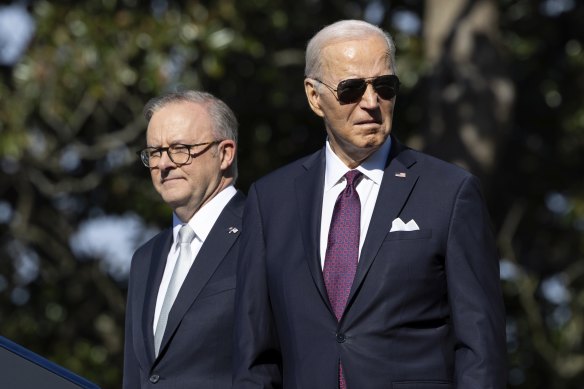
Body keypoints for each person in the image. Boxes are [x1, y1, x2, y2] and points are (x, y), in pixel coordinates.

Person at [233, 20, 507, 388]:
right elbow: (255, 357)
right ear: (315, 97)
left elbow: (481, 349)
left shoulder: (450, 192)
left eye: (385, 86)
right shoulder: (270, 201)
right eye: (350, 89)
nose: (371, 102)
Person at [124, 90, 244, 388]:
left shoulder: (263, 233)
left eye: (180, 149)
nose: (164, 164)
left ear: (225, 153)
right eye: (155, 152)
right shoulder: (145, 259)